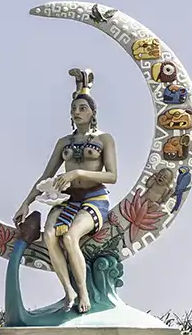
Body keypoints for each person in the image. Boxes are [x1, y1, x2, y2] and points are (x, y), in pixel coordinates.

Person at [14, 68, 119, 314]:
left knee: (70, 237)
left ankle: (83, 292)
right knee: (49, 236)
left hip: (94, 198)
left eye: (83, 108)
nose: (77, 112)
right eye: (74, 108)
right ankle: (68, 292)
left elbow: (112, 176)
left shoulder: (104, 139)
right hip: (66, 200)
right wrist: (26, 203)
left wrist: (77, 173)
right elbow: (47, 176)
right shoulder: (65, 142)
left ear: (93, 112)